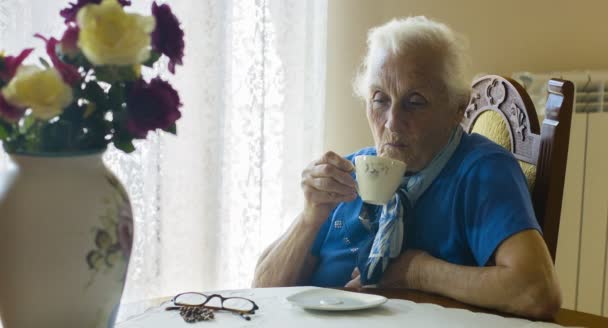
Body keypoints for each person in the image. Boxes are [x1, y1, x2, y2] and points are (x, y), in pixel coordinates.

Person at [252, 16, 561, 319]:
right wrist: (309, 218)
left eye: (415, 101)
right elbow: (261, 291)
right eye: (379, 100)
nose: (392, 122)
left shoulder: (481, 171)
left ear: (458, 108)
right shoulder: (349, 174)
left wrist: (418, 273)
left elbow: (536, 291)